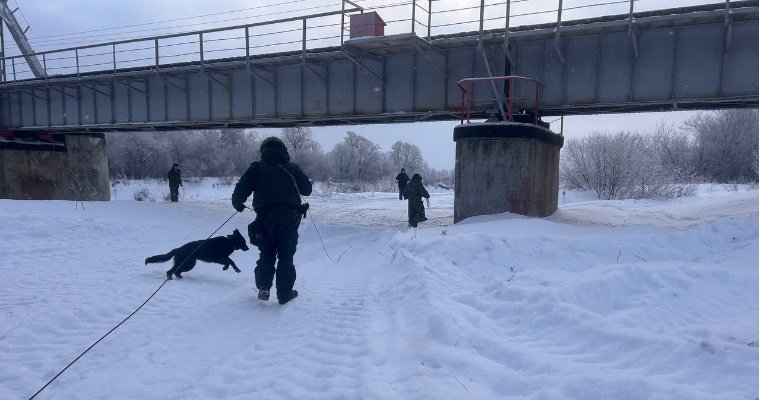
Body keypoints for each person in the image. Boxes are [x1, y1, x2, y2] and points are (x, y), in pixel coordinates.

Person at [232, 136, 312, 305]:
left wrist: (238, 204)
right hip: (289, 219)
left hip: (264, 220)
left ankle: (263, 287)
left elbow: (240, 190)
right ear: (284, 150)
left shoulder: (257, 168)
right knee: (285, 257)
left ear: (263, 151)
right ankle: (284, 294)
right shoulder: (292, 168)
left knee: (267, 253)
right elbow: (307, 190)